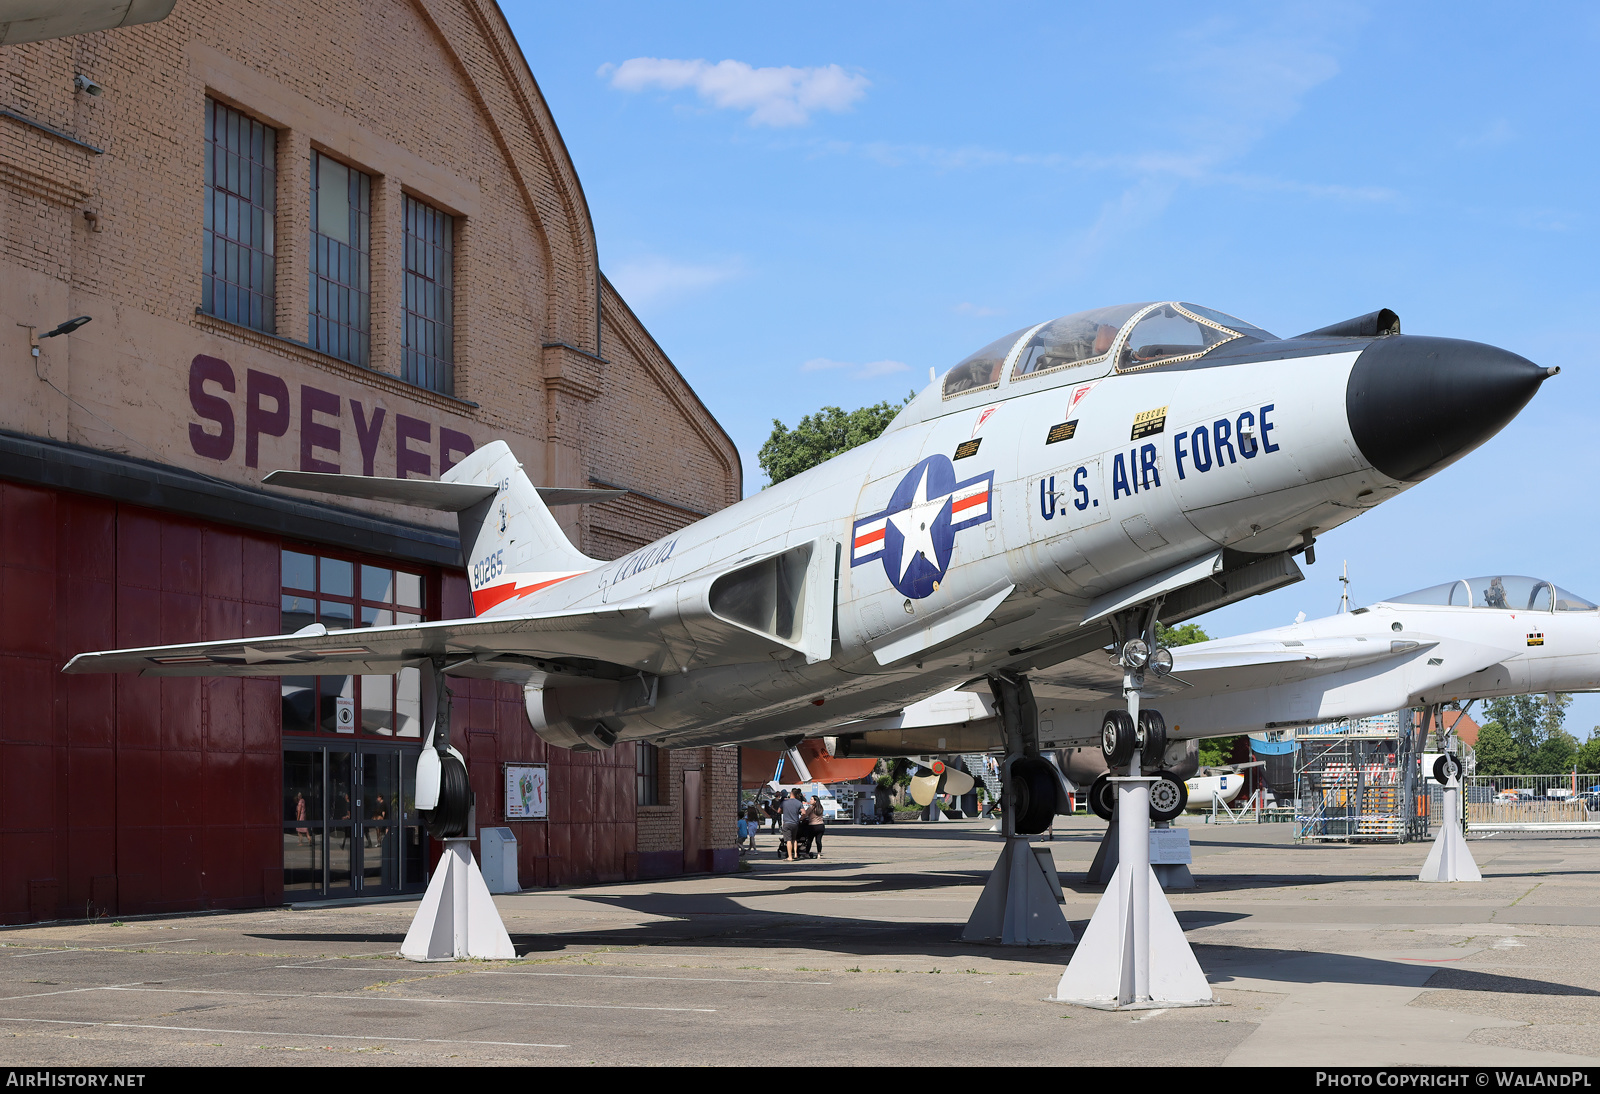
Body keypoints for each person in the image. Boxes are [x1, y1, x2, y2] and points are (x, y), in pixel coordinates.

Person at [780, 786, 806, 861]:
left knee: (788, 840)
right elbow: (804, 813)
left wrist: (784, 812)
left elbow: (779, 811)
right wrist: (800, 818)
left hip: (787, 823)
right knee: (794, 839)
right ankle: (795, 854)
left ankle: (790, 857)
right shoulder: (798, 803)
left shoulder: (784, 802)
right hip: (795, 823)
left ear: (791, 793)